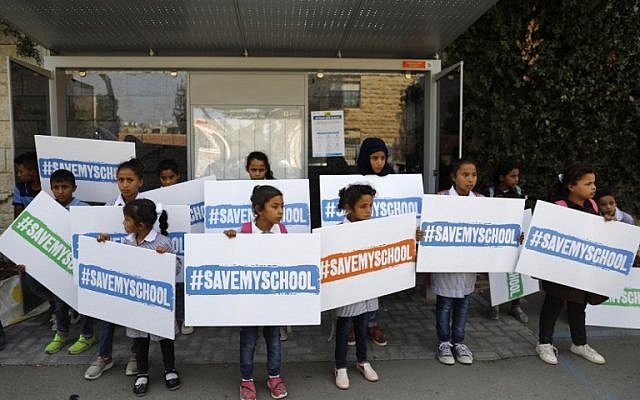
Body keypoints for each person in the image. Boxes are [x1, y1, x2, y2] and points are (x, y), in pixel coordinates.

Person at [97, 199, 181, 395]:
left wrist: (165, 258)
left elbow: (177, 268)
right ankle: (142, 372)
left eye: (126, 220)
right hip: (137, 302)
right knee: (140, 340)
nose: (123, 224)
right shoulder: (127, 242)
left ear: (141, 225)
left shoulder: (163, 242)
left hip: (158, 301)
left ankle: (170, 369)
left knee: (165, 338)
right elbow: (118, 263)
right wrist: (104, 245)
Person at [536, 164, 610, 366]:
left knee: (578, 305)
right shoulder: (558, 207)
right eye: (588, 183)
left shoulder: (593, 206)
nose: (593, 187)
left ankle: (579, 343)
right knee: (553, 304)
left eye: (594, 183)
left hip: (581, 270)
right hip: (559, 269)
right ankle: (544, 343)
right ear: (571, 186)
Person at [224, 185, 288, 400]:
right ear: (259, 209)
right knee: (248, 340)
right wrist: (230, 240)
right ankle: (247, 380)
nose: (280, 211)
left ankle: (274, 376)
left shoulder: (283, 231)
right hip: (250, 300)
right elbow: (234, 258)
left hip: (274, 299)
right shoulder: (245, 230)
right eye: (275, 206)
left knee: (274, 339)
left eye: (282, 206)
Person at [85, 158, 145, 380]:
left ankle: (135, 355)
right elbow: (99, 234)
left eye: (130, 180)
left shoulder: (149, 206)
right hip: (113, 267)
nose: (125, 184)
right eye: (121, 180)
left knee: (134, 315)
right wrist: (102, 238)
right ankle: (104, 356)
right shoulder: (110, 207)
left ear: (140, 181)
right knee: (107, 313)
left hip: (137, 267)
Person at [433, 159, 481, 366]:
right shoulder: (440, 198)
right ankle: (444, 342)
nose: (470, 179)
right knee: (444, 304)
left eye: (474, 175)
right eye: (465, 175)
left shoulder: (481, 200)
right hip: (446, 265)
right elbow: (429, 224)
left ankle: (459, 341)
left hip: (468, 264)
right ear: (454, 176)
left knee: (463, 302)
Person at [332, 184, 380, 389]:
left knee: (362, 326)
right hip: (347, 291)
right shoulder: (338, 232)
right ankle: (340, 366)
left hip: (367, 288)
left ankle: (363, 361)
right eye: (363, 206)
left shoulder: (375, 228)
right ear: (349, 208)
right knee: (344, 329)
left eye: (370, 206)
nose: (368, 211)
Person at [44, 169, 95, 355]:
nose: (60, 191)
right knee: (59, 302)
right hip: (58, 263)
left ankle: (87, 335)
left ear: (74, 187)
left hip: (81, 263)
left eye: (64, 187)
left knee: (83, 301)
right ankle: (61, 333)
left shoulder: (84, 208)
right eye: (55, 187)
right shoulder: (48, 208)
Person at [352, 137, 393, 347]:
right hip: (356, 240)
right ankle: (352, 326)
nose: (379, 163)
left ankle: (372, 324)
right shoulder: (353, 179)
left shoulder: (393, 179)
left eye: (382, 158)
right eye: (374, 158)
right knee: (354, 284)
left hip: (380, 241)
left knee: (375, 287)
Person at [485, 161, 528, 323]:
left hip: (514, 239)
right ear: (502, 177)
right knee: (495, 271)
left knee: (515, 271)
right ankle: (494, 304)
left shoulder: (518, 191)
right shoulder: (490, 192)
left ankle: (515, 305)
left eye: (518, 176)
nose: (516, 179)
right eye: (513, 176)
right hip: (496, 239)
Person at [156, 159, 193, 336]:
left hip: (183, 242)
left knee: (183, 284)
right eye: (164, 178)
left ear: (178, 176)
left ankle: (186, 317)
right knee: (169, 282)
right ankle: (169, 319)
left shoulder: (186, 194)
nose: (168, 181)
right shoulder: (155, 196)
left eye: (171, 177)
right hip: (164, 242)